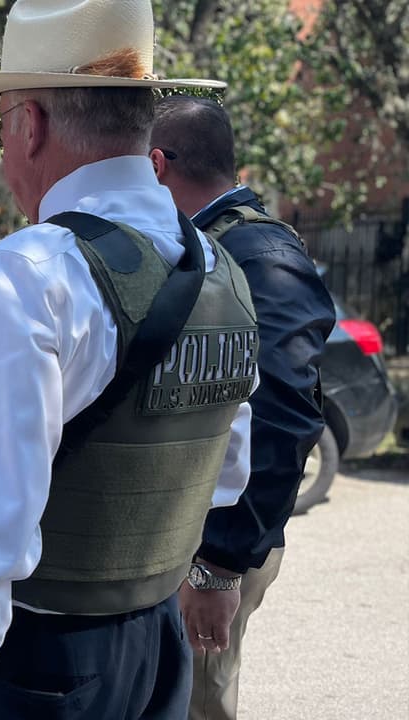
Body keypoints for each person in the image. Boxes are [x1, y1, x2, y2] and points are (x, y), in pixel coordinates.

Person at [0, 2, 256, 719]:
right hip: (159, 648)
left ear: (27, 126)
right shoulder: (221, 267)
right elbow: (228, 473)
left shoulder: (29, 273)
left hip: (45, 663)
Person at [151, 96, 336, 720]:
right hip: (187, 537)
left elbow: (285, 414)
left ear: (157, 166)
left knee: (198, 706)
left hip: (212, 548)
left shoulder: (260, 255)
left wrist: (219, 566)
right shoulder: (205, 242)